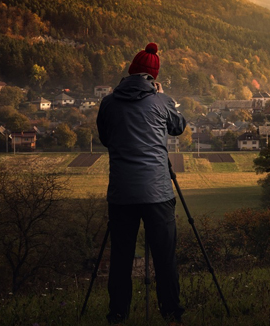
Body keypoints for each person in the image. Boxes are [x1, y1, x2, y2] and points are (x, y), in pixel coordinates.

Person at [97, 42, 187, 325]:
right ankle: (171, 313)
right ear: (154, 77)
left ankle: (118, 314)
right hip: (157, 192)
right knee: (164, 257)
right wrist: (164, 97)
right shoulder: (161, 101)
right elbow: (179, 126)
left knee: (122, 257)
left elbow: (105, 138)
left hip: (121, 193)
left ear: (130, 72)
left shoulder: (109, 102)